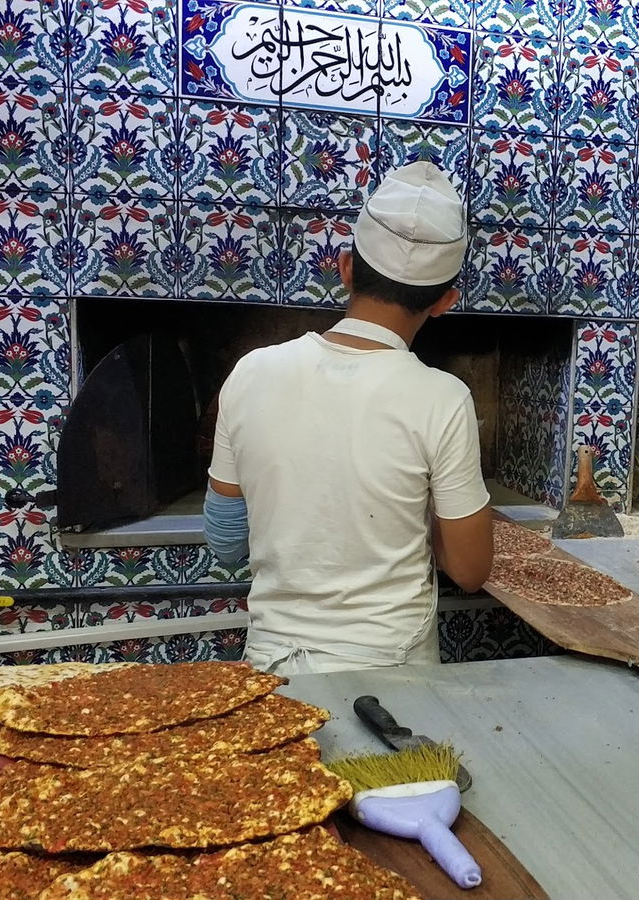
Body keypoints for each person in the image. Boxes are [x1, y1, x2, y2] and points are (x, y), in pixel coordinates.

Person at [202, 161, 493, 673]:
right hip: (392, 677)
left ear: (344, 267)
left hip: (273, 670)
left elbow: (226, 545)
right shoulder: (442, 398)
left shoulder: (251, 372)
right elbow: (470, 570)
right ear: (446, 302)